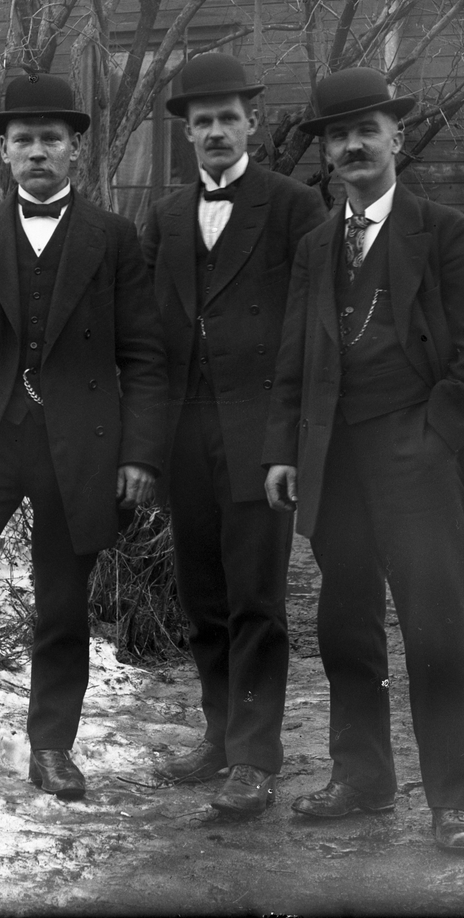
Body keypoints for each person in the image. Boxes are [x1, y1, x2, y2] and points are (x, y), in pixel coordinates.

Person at [263, 66, 464, 852]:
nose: (352, 146)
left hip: (420, 462)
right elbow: (294, 360)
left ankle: (453, 802)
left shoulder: (443, 233)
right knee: (345, 627)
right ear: (325, 151)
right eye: (337, 135)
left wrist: (431, 440)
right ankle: (363, 778)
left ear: (395, 137)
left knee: (434, 628)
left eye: (365, 131)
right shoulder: (314, 247)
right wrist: (283, 450)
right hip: (334, 464)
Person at [0, 73, 167, 799]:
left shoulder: (113, 237)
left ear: (75, 149)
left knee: (62, 600)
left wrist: (139, 453)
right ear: (4, 152)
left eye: (51, 139)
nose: (37, 151)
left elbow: (144, 353)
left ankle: (52, 751)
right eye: (24, 140)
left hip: (79, 445)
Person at [143, 52, 326, 818]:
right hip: (186, 435)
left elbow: (311, 331)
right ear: (186, 133)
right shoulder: (164, 217)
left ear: (252, 123)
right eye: (202, 121)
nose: (215, 131)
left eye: (227, 118)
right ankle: (218, 737)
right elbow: (149, 337)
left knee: (255, 598)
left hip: (259, 434)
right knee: (203, 595)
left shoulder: (293, 207)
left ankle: (255, 757)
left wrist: (290, 440)